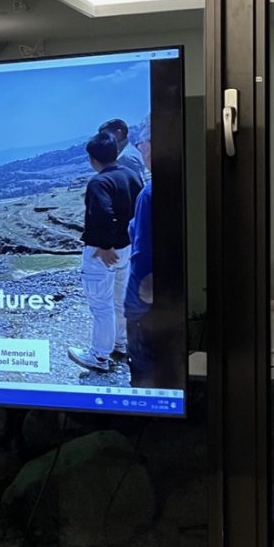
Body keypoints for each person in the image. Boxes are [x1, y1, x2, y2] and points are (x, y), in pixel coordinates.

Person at [67, 131, 143, 373]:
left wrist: (106, 245)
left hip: (103, 252)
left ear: (93, 159)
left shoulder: (99, 182)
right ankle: (121, 343)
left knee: (101, 305)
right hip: (127, 248)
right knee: (120, 300)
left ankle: (99, 356)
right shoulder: (131, 175)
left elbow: (102, 213)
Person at [125, 116, 155, 387]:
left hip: (147, 311)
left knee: (145, 374)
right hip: (170, 304)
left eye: (141, 144)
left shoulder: (149, 195)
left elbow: (143, 260)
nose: (139, 149)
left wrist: (133, 309)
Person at [99, 118, 150, 184]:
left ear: (118, 134)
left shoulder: (124, 157)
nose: (103, 140)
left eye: (106, 136)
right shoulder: (133, 151)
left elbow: (136, 184)